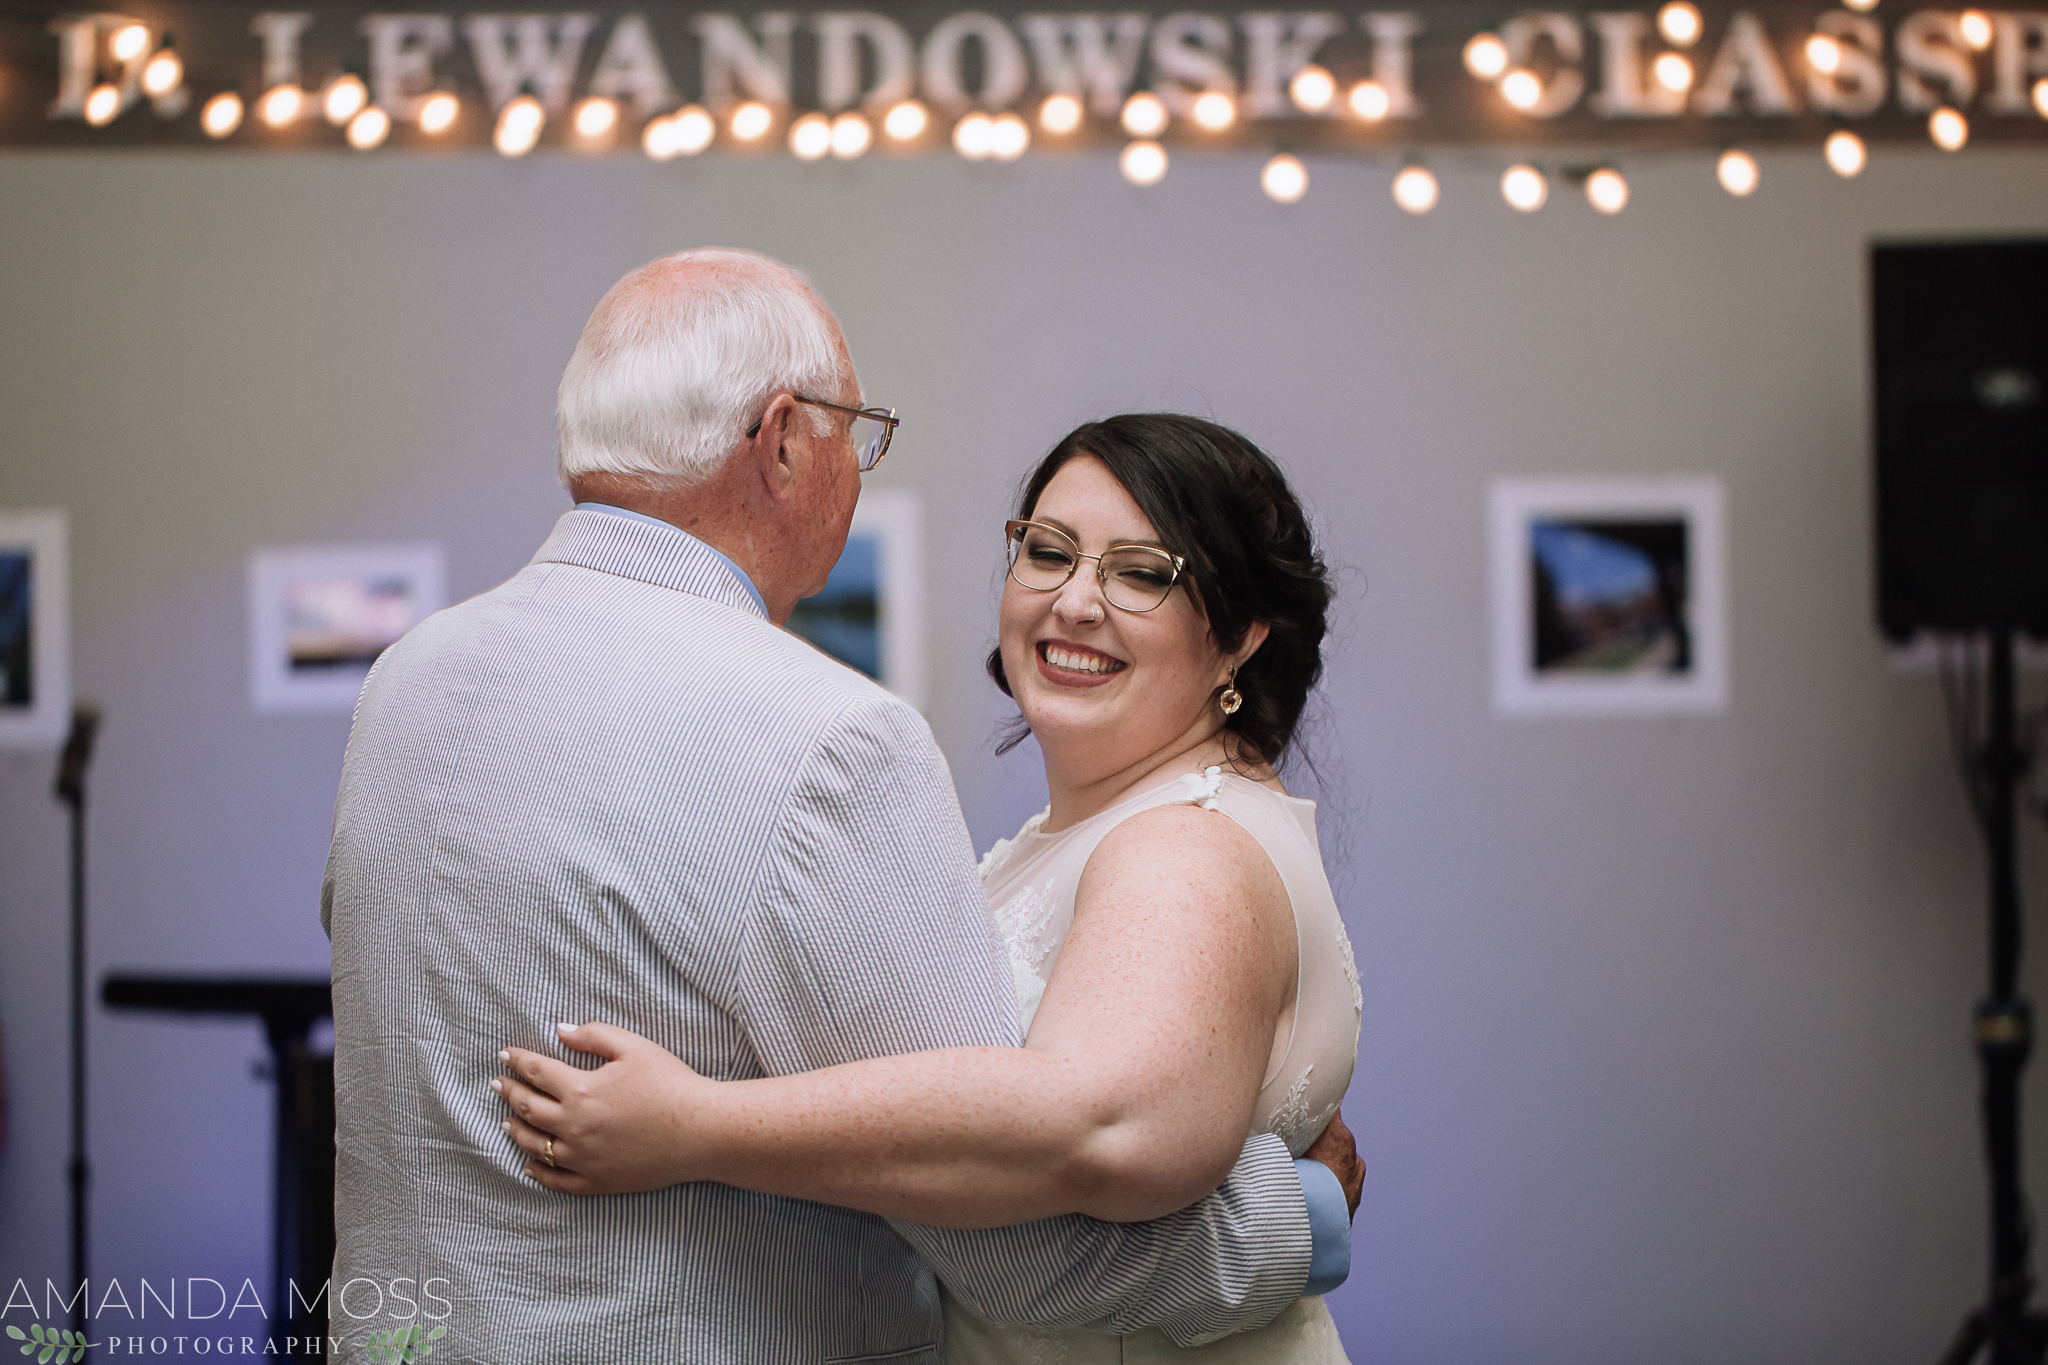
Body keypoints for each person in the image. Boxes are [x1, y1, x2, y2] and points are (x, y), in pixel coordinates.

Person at [322, 249, 1359, 1364]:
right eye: (1045, 553)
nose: (1073, 600)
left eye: (1141, 571)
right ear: (779, 443)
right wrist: (1302, 1216)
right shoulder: (823, 737)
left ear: (1240, 630)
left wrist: (701, 1130)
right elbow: (1018, 1246)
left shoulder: (410, 679)